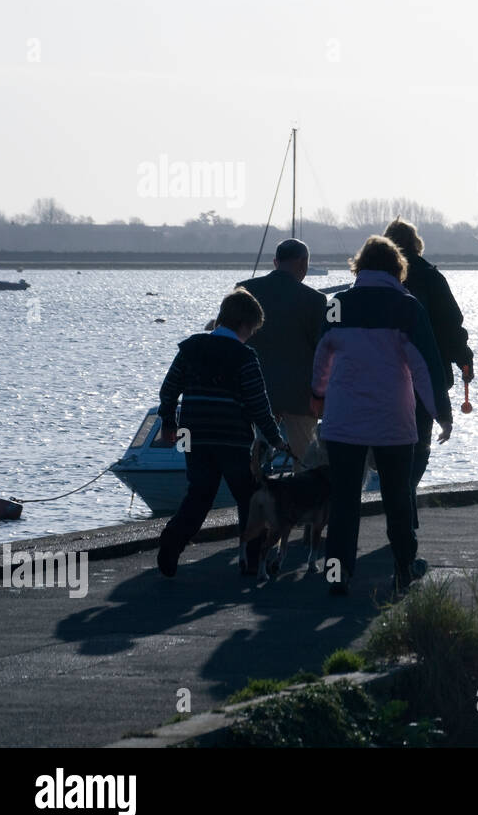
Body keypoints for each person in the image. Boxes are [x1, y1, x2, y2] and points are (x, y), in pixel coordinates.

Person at [310, 236, 452, 596]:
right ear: (397, 269)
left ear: (358, 267)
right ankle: (404, 570)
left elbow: (321, 358)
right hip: (393, 419)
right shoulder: (407, 307)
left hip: (343, 418)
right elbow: (425, 367)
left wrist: (317, 396)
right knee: (397, 498)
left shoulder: (337, 305)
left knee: (344, 501)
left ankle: (338, 574)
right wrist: (442, 413)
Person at [156, 288, 288, 578]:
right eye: (252, 329)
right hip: (232, 438)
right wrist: (276, 438)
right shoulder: (244, 356)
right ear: (244, 325)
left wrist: (168, 422)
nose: (252, 334)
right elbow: (257, 404)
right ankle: (252, 562)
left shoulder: (190, 348)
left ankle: (171, 543)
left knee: (199, 495)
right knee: (249, 498)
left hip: (195, 435)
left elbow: (169, 390)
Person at [381, 218, 474, 532]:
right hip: (427, 373)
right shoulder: (432, 277)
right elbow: (451, 324)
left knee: (391, 444)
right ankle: (406, 496)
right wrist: (464, 359)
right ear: (416, 243)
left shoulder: (376, 281)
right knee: (420, 442)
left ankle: (400, 498)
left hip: (383, 377)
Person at [235, 238, 328, 468]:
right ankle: (302, 502)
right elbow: (323, 350)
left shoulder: (245, 290)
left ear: (276, 262)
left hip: (255, 391)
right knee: (305, 460)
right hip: (300, 396)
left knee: (255, 457)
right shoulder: (315, 300)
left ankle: (255, 497)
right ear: (303, 262)